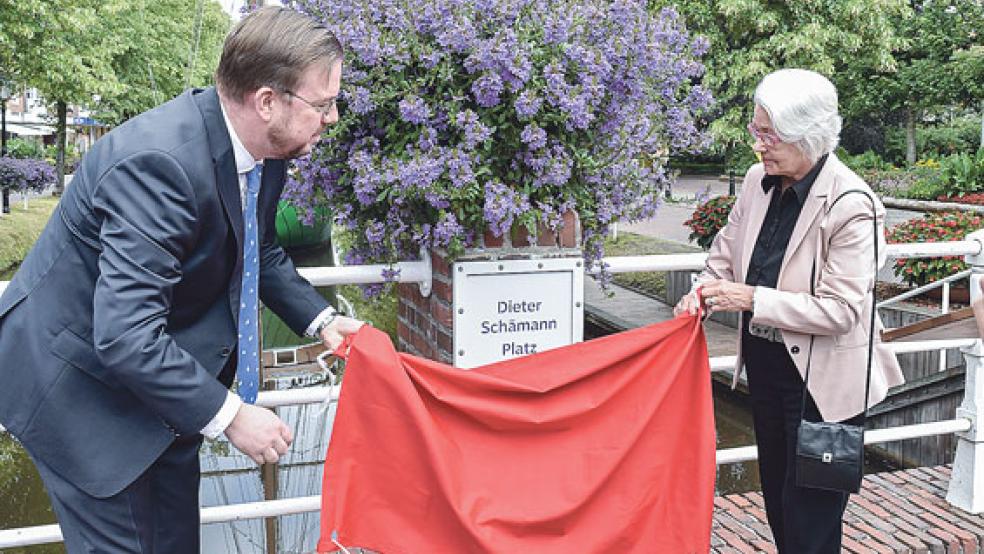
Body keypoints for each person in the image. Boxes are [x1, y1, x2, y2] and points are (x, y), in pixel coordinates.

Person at [0, 7, 362, 552]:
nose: (332, 117)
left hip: (163, 387)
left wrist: (324, 320)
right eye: (324, 102)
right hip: (83, 392)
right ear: (267, 101)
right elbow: (124, 334)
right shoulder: (159, 166)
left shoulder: (268, 148)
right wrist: (233, 415)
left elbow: (255, 246)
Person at [674, 69, 905, 553]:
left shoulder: (852, 204)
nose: (757, 145)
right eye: (755, 130)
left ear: (809, 137)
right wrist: (699, 292)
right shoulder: (759, 179)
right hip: (768, 366)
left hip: (822, 385)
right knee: (779, 508)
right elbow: (724, 254)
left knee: (810, 523)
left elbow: (842, 311)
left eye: (768, 135)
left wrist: (753, 298)